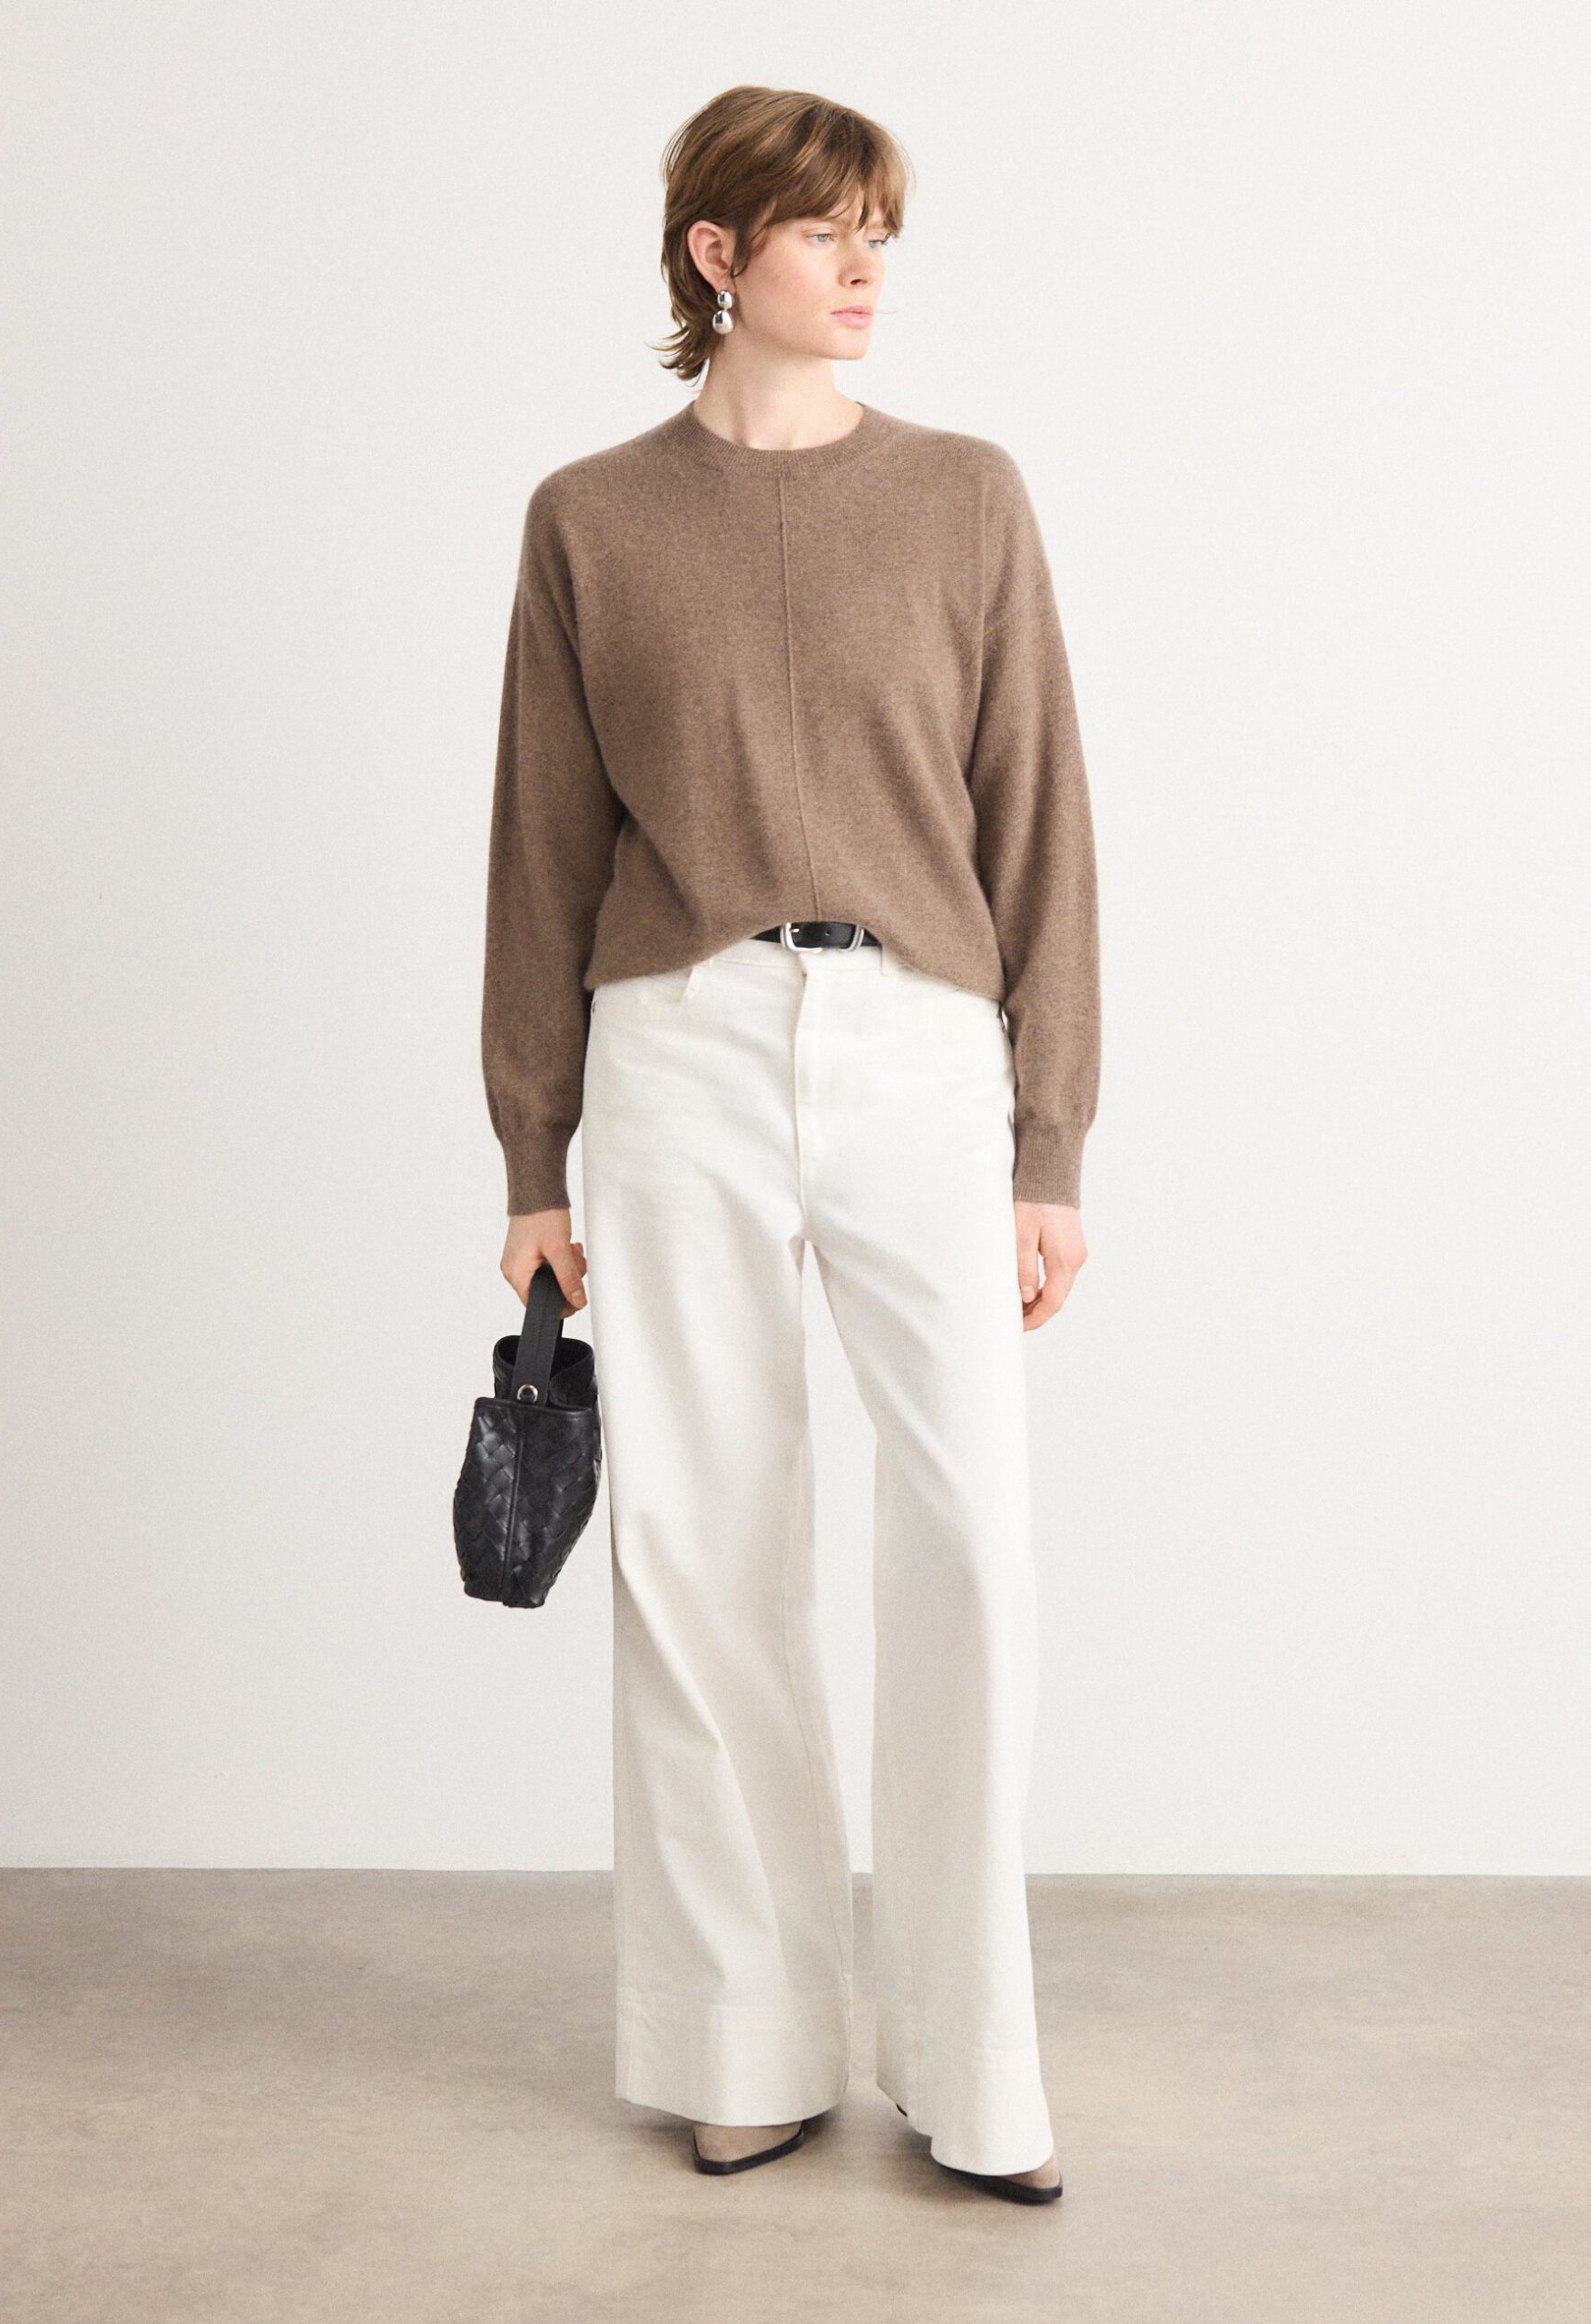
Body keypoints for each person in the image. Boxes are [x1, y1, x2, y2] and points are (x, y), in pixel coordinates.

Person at [480, 84, 1099, 2205]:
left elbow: (1038, 825)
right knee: (702, 1547)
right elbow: (539, 850)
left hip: (920, 1048)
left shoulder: (963, 496)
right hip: (676, 1048)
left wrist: (1048, 1139)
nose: (863, 268)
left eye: (877, 233)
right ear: (714, 255)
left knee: (969, 1546)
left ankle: (967, 2059)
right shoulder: (586, 520)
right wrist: (530, 1153)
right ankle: (740, 2038)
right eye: (825, 231)